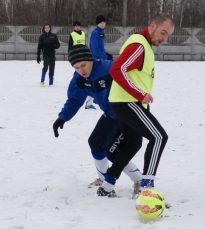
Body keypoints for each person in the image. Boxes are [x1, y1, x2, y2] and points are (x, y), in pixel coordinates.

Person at [96, 13, 175, 197]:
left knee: (133, 144)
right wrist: (140, 94)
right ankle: (147, 188)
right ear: (152, 25)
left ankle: (106, 187)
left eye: (168, 35)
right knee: (159, 137)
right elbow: (117, 69)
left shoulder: (144, 46)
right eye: (163, 32)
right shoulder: (139, 45)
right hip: (127, 102)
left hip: (125, 102)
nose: (164, 38)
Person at [53, 45, 142, 198]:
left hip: (126, 114)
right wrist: (62, 118)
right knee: (95, 142)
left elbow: (134, 80)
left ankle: (139, 180)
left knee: (114, 152)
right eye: (76, 67)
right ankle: (103, 181)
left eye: (83, 65)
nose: (81, 70)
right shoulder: (79, 79)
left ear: (91, 59)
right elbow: (74, 100)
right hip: (110, 113)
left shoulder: (109, 68)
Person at [68, 21, 96, 110]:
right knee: (78, 70)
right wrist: (70, 55)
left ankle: (81, 81)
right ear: (74, 27)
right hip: (76, 55)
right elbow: (70, 46)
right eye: (75, 26)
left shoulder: (83, 33)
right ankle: (76, 82)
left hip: (82, 54)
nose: (77, 27)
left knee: (84, 69)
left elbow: (84, 44)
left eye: (78, 26)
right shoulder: (72, 34)